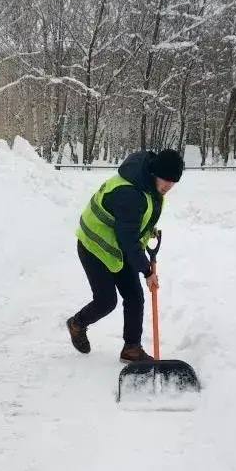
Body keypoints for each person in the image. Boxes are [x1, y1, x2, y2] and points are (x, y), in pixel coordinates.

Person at [66, 149, 184, 363]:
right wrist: (147, 270)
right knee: (106, 301)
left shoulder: (149, 185)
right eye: (166, 180)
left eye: (173, 182)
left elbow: (134, 224)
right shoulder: (130, 193)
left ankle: (131, 349)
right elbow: (127, 239)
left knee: (134, 296)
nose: (169, 186)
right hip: (94, 246)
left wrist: (148, 230)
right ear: (155, 172)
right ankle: (77, 324)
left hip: (117, 246)